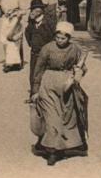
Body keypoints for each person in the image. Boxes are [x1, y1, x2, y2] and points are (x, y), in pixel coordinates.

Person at [31, 21, 88, 166]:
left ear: (69, 38)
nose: (60, 41)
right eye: (57, 37)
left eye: (63, 38)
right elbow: (38, 70)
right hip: (48, 83)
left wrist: (77, 74)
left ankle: (68, 145)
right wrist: (35, 90)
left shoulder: (75, 49)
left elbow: (82, 67)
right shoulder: (47, 49)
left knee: (68, 116)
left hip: (67, 86)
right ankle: (52, 152)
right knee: (51, 117)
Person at [24, 0, 56, 96]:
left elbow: (53, 36)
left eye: (38, 9)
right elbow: (27, 34)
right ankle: (33, 95)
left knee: (45, 74)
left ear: (42, 10)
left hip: (46, 53)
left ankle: (45, 95)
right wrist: (33, 45)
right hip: (35, 52)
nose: (35, 11)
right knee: (33, 74)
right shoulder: (31, 22)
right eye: (33, 9)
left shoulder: (49, 22)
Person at [0, 0, 25, 72]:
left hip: (15, 21)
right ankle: (9, 61)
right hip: (5, 21)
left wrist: (16, 13)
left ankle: (15, 63)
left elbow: (24, 10)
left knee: (14, 41)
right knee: (5, 42)